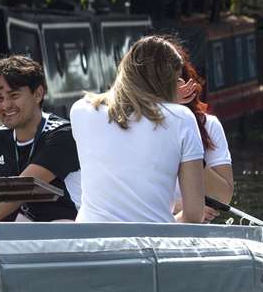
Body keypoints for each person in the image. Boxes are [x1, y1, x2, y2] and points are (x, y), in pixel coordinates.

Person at [70, 35, 204, 224]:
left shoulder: (81, 110)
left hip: (89, 240)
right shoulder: (182, 118)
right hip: (151, 240)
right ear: (168, 81)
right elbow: (193, 215)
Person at [0, 54, 81, 221]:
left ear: (38, 94)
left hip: (73, 226)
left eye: (14, 95)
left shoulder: (62, 135)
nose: (5, 105)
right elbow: (4, 198)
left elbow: (20, 191)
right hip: (31, 226)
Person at [173, 53, 234, 220]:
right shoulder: (135, 125)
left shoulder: (208, 125)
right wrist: (181, 207)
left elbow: (222, 198)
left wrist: (183, 129)